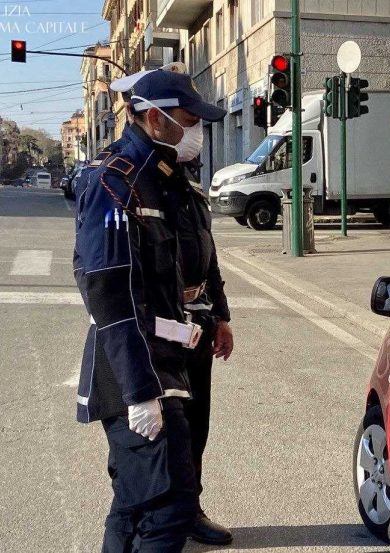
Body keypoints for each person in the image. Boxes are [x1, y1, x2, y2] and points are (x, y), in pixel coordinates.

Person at [72, 68, 226, 552]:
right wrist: (140, 392)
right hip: (137, 363)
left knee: (141, 499)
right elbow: (109, 295)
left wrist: (217, 313)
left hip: (176, 347)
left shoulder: (169, 179)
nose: (196, 129)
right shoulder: (115, 183)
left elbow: (201, 252)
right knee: (164, 507)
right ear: (153, 118)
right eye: (187, 118)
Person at [176, 160, 234, 545]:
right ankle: (156, 516)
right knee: (158, 430)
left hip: (198, 320)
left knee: (197, 426)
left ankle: (190, 510)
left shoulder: (194, 193)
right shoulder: (134, 188)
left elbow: (210, 260)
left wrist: (222, 317)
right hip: (157, 327)